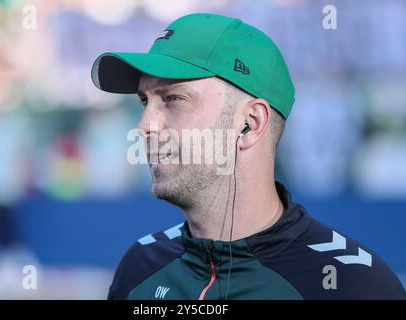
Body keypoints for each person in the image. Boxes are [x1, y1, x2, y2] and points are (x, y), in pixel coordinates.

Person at [91, 13, 406, 299]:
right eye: (145, 101)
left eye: (174, 98)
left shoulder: (354, 285)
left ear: (250, 124)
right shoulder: (139, 269)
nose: (145, 126)